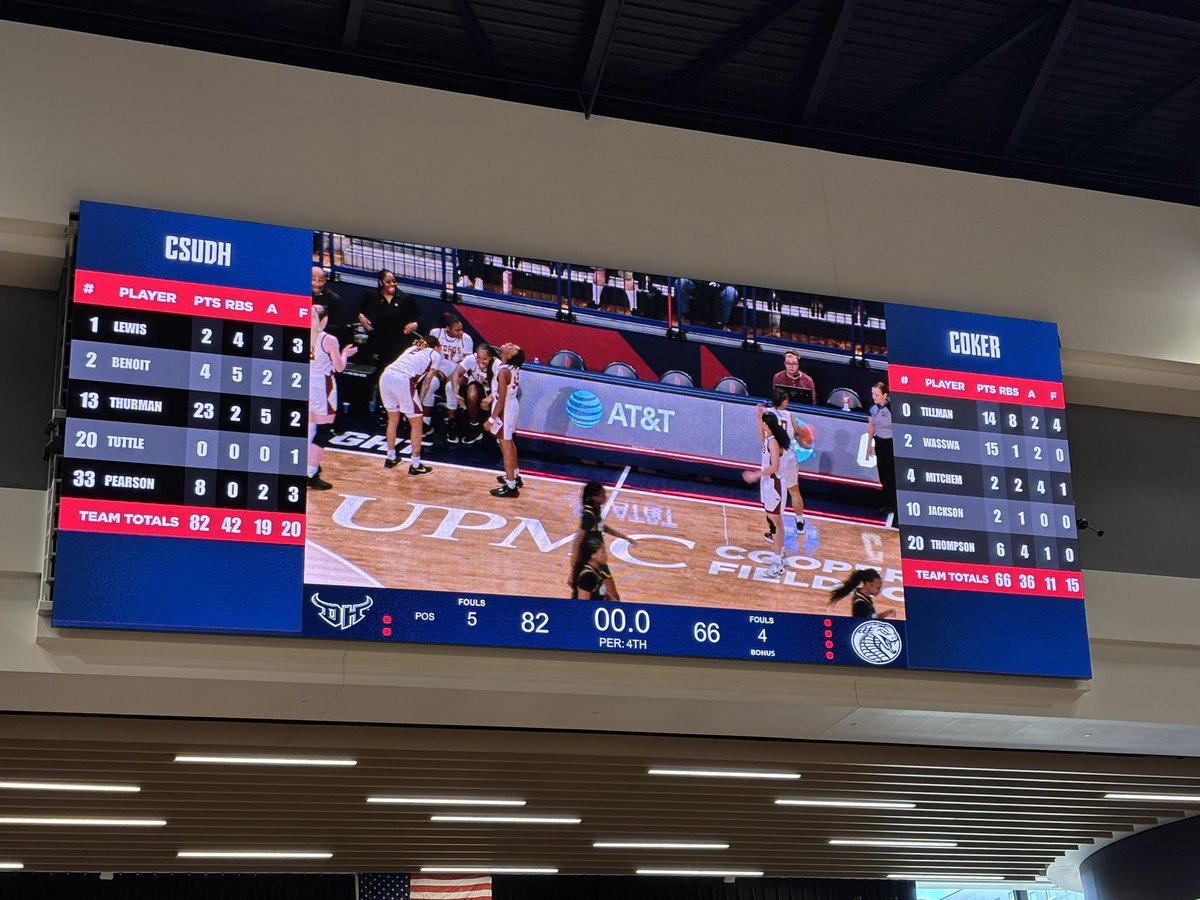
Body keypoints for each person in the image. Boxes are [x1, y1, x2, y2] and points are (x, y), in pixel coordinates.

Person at [307, 305, 357, 490]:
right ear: (324, 319)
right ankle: (311, 473)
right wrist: (345, 354)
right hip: (323, 385)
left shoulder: (300, 333)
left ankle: (307, 466)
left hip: (304, 382)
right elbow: (339, 367)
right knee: (323, 430)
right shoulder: (329, 339)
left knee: (310, 426)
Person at [378, 333, 441, 476]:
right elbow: (428, 378)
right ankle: (416, 465)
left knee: (393, 420)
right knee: (417, 423)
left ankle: (391, 458)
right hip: (403, 380)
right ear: (436, 347)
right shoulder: (435, 354)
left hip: (386, 376)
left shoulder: (412, 348)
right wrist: (421, 398)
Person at [740, 412, 791, 579]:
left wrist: (755, 475)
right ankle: (780, 554)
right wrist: (757, 416)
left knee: (774, 523)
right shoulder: (769, 438)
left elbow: (775, 466)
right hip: (769, 484)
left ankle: (778, 565)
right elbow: (761, 437)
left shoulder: (774, 443)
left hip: (774, 484)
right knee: (775, 520)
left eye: (762, 423)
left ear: (766, 425)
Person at [567, 480, 636, 599]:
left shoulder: (595, 509)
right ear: (593, 497)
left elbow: (602, 526)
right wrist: (573, 572)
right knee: (610, 596)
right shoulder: (588, 516)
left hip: (598, 558)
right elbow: (577, 542)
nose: (605, 498)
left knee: (610, 596)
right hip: (592, 560)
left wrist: (625, 537)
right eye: (602, 495)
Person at [761, 389, 806, 545]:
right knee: (794, 490)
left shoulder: (767, 415)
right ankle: (800, 523)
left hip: (775, 458)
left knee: (772, 496)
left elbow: (761, 436)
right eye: (786, 399)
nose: (788, 402)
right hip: (789, 456)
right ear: (782, 401)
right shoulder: (789, 415)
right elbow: (798, 435)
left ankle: (773, 531)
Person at [426, 313, 474, 444]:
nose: (460, 332)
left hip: (457, 372)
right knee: (430, 383)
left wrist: (454, 374)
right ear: (448, 328)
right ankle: (425, 423)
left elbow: (468, 363)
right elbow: (429, 354)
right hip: (439, 368)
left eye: (461, 329)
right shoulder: (436, 333)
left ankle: (451, 424)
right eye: (457, 330)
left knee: (450, 387)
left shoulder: (466, 339)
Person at [488, 342, 525, 497]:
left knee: (506, 446)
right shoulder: (511, 367)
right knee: (509, 443)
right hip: (512, 405)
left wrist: (491, 419)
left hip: (506, 408)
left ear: (509, 356)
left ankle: (511, 486)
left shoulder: (504, 371)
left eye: (513, 347)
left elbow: (501, 400)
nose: (510, 344)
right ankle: (515, 476)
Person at [866, 381, 896, 516]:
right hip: (880, 442)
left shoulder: (892, 409)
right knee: (883, 474)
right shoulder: (872, 409)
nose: (874, 397)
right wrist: (869, 445)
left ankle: (895, 504)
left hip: (891, 443)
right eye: (873, 394)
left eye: (877, 395)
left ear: (885, 395)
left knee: (892, 475)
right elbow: (871, 426)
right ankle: (887, 503)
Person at [460, 343, 496, 445]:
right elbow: (456, 373)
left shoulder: (497, 364)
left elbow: (502, 388)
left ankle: (494, 428)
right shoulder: (471, 359)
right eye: (479, 358)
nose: (481, 361)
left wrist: (491, 396)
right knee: (472, 395)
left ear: (490, 358)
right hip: (478, 384)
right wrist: (454, 391)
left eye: (484, 359)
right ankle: (474, 426)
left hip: (494, 390)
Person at [829, 568, 894, 619]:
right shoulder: (861, 604)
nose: (879, 591)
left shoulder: (863, 596)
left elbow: (870, 618)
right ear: (868, 584)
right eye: (878, 588)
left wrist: (883, 615)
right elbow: (864, 624)